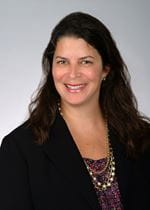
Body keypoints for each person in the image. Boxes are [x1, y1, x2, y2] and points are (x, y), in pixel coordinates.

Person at [0, 11, 150, 210]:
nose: (72, 74)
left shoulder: (143, 138)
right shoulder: (20, 149)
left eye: (85, 61)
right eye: (62, 61)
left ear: (105, 69)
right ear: (51, 67)